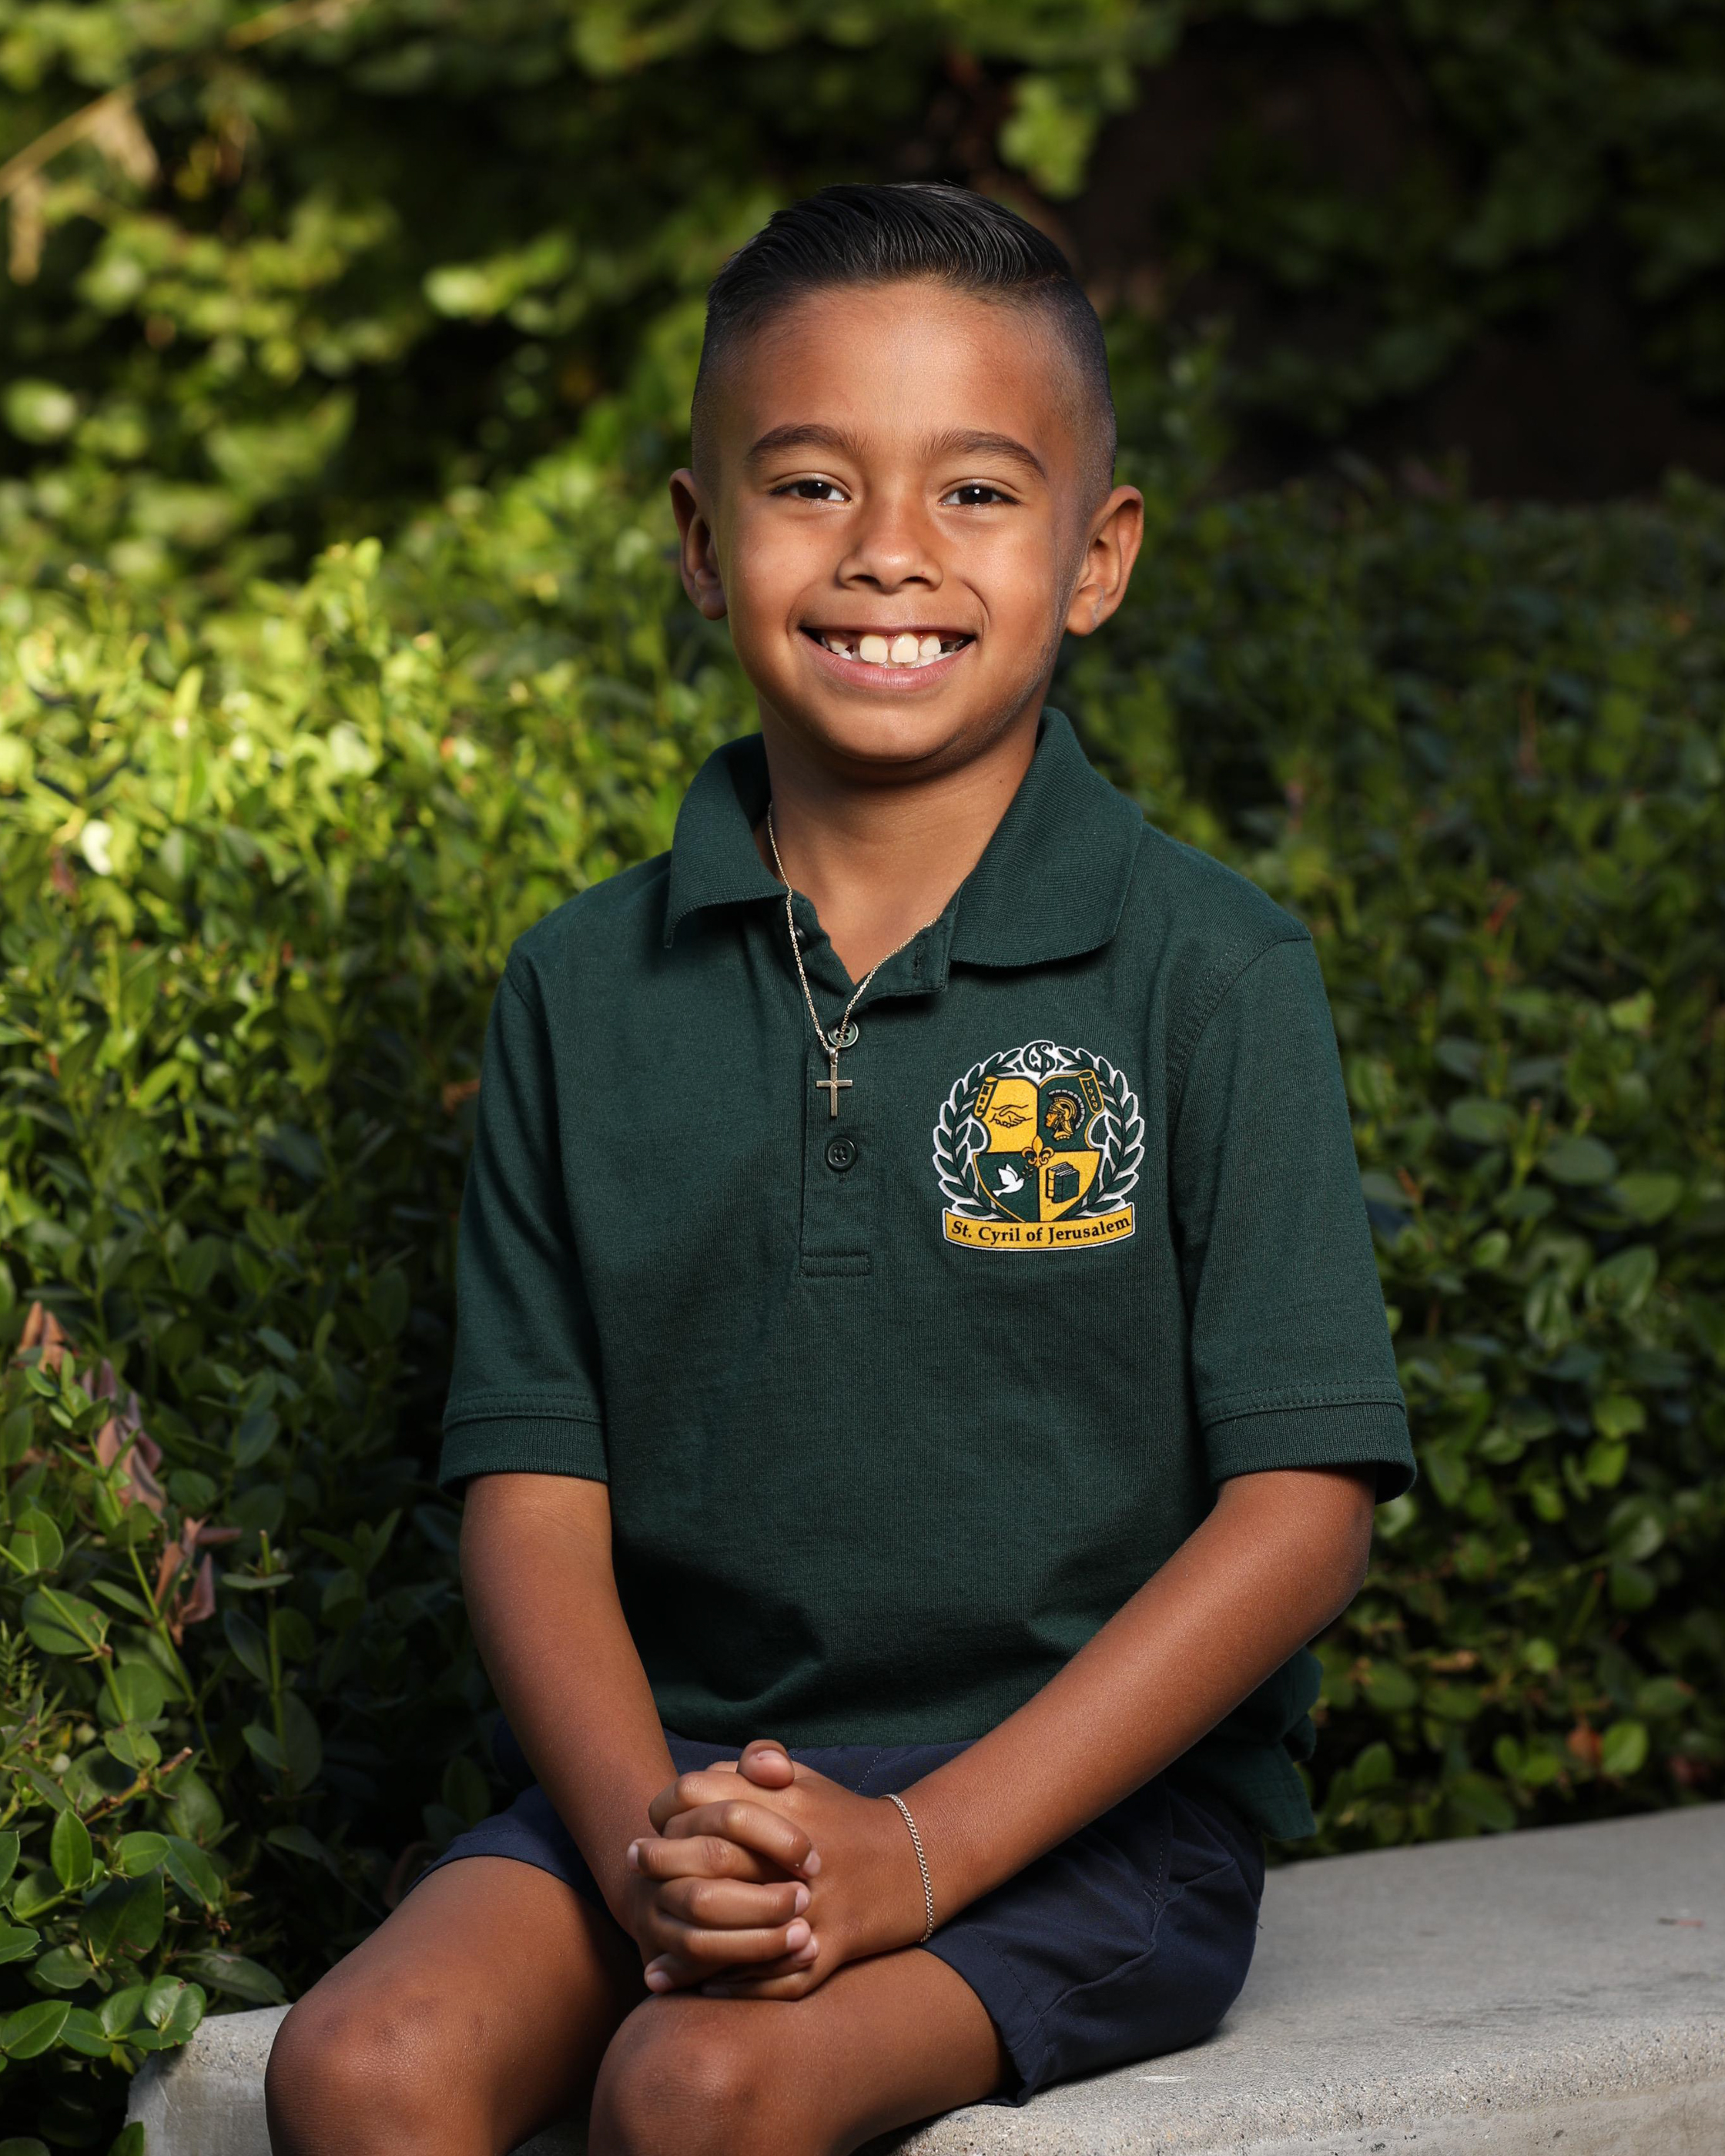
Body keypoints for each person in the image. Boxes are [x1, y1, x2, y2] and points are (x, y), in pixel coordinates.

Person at [265, 181, 1414, 2156]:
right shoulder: (579, 988)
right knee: (360, 2069)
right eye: (810, 483)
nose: (889, 548)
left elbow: (1302, 1510)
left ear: (1096, 556)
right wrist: (649, 1845)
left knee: (699, 2085)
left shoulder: (1207, 969)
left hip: (1078, 1817)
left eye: (975, 491)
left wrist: (918, 1846)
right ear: (700, 542)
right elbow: (532, 1496)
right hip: (675, 1786)